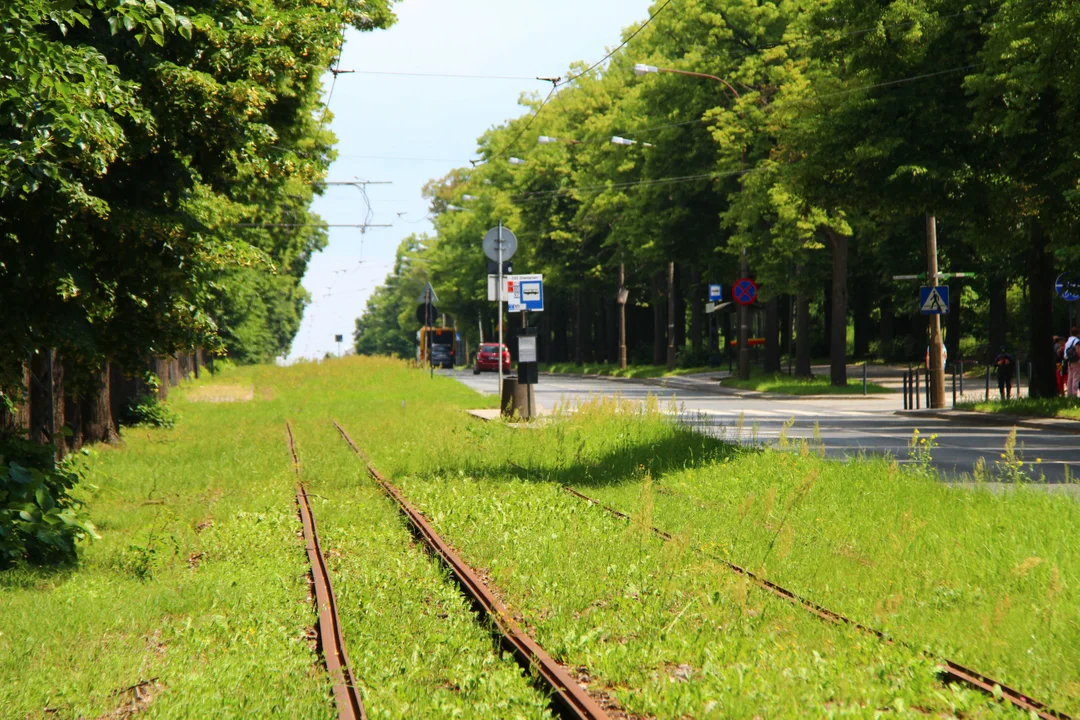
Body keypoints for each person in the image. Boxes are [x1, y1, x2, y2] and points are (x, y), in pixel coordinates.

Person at [1066, 327, 1080, 398]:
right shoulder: (1077, 340)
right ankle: (1074, 394)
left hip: (1069, 361)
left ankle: (1069, 394)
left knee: (1070, 378)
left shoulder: (1068, 341)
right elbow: (1078, 351)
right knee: (1076, 378)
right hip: (1076, 361)